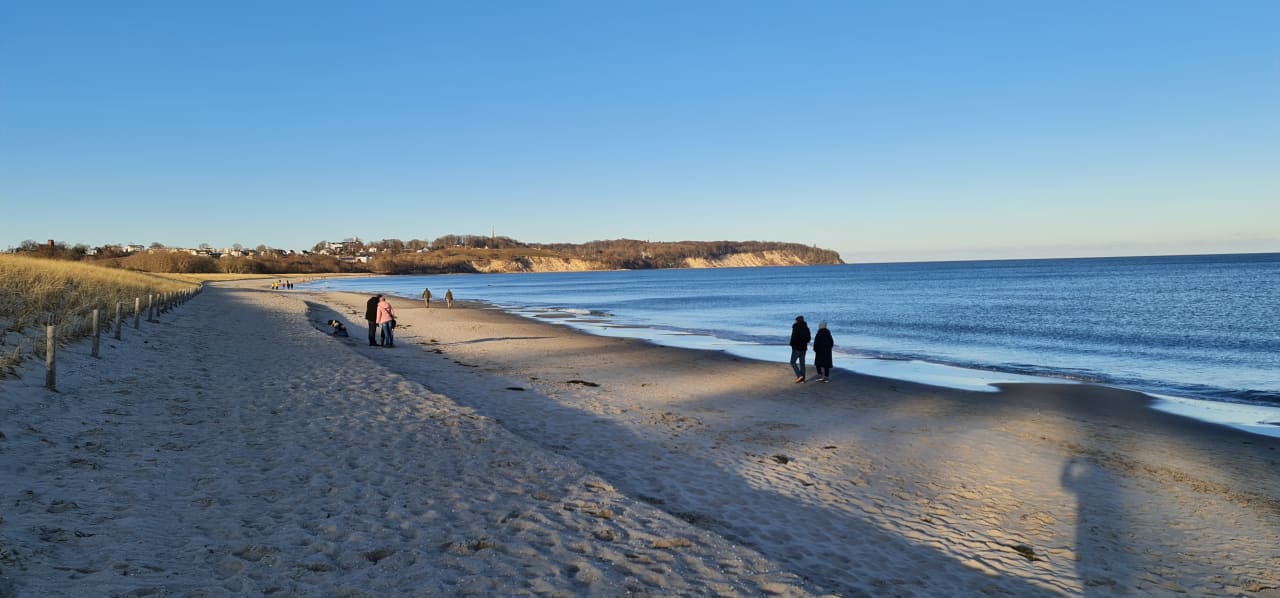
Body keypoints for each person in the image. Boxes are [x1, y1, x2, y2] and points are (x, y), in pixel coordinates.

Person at [789, 315, 811, 383]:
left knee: (792, 362)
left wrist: (792, 344)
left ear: (797, 320)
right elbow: (808, 338)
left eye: (795, 320)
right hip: (804, 348)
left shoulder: (795, 327)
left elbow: (793, 337)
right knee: (802, 363)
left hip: (796, 347)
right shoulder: (806, 328)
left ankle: (799, 376)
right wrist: (804, 342)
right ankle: (803, 379)